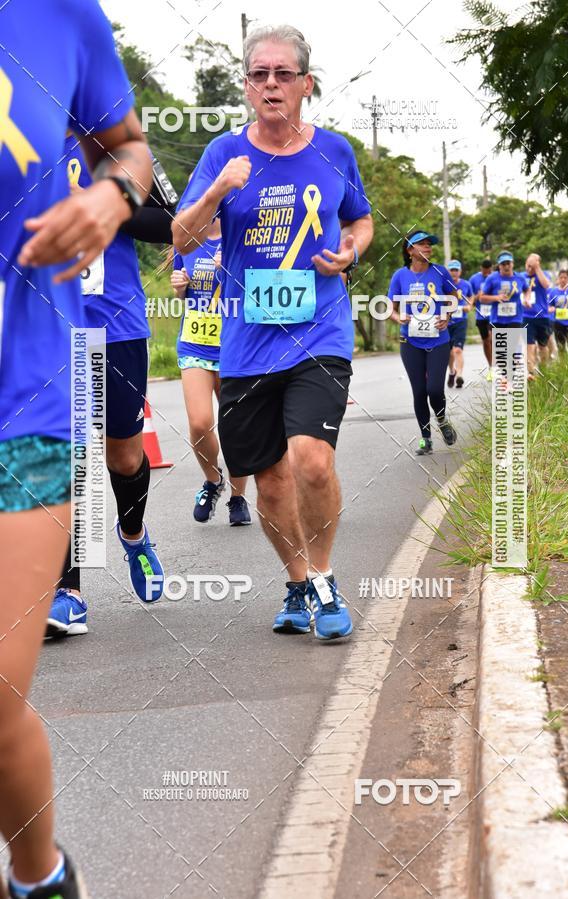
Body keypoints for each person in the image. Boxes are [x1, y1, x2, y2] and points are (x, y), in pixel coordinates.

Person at [0, 2, 152, 896]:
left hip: (25, 394)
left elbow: (129, 145)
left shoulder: (60, 15)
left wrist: (111, 194)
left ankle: (39, 875)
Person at [172, 24, 373, 640]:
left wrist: (350, 252)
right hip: (247, 343)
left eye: (283, 74)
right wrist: (219, 190)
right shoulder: (220, 156)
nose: (271, 85)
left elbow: (359, 221)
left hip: (319, 331)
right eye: (259, 74)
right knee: (269, 479)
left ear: (306, 85)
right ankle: (295, 581)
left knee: (311, 462)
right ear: (246, 86)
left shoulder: (334, 150)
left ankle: (325, 579)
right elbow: (180, 239)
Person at [46, 140, 178, 638]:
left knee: (121, 457)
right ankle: (68, 591)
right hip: (49, 328)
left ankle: (133, 533)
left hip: (116, 328)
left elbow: (170, 224)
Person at [171, 221, 251, 525]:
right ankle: (213, 479)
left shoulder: (241, 235)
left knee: (236, 426)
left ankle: (238, 497)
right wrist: (179, 287)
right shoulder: (187, 239)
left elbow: (253, 289)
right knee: (200, 422)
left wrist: (230, 270)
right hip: (195, 344)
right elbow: (184, 291)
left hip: (234, 346)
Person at [388, 232, 458, 456]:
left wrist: (446, 317)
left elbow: (454, 298)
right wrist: (398, 318)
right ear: (410, 251)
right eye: (422, 245)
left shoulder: (439, 271)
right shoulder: (400, 276)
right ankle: (426, 438)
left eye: (430, 245)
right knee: (419, 391)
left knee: (434, 389)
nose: (428, 248)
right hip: (410, 341)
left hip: (438, 341)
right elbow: (390, 307)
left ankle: (442, 419)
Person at [479, 251, 532, 331]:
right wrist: (496, 298)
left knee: (512, 343)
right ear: (499, 266)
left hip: (515, 318)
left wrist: (527, 299)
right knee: (502, 343)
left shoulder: (520, 278)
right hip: (497, 320)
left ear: (512, 264)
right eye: (503, 264)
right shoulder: (492, 278)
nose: (506, 266)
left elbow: (527, 289)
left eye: (508, 263)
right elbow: (481, 298)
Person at [521, 253, 552, 376]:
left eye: (532, 266)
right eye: (528, 265)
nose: (529, 268)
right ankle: (531, 373)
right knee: (529, 345)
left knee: (543, 346)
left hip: (542, 316)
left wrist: (537, 268)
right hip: (527, 316)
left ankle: (544, 370)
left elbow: (546, 285)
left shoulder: (543, 275)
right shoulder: (521, 277)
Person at [446, 260, 473, 389]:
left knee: (457, 349)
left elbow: (471, 297)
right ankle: (452, 371)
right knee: (448, 351)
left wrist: (469, 306)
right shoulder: (443, 285)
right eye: (452, 270)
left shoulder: (466, 284)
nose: (454, 273)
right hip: (446, 321)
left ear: (460, 272)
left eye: (456, 270)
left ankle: (459, 375)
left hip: (461, 320)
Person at [469, 258, 493, 375]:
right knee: (486, 341)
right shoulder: (474, 279)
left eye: (489, 271)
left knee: (493, 338)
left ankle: (499, 365)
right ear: (481, 269)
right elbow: (470, 298)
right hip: (481, 315)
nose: (487, 274)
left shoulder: (494, 277)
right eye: (485, 271)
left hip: (494, 315)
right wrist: (477, 296)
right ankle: (491, 366)